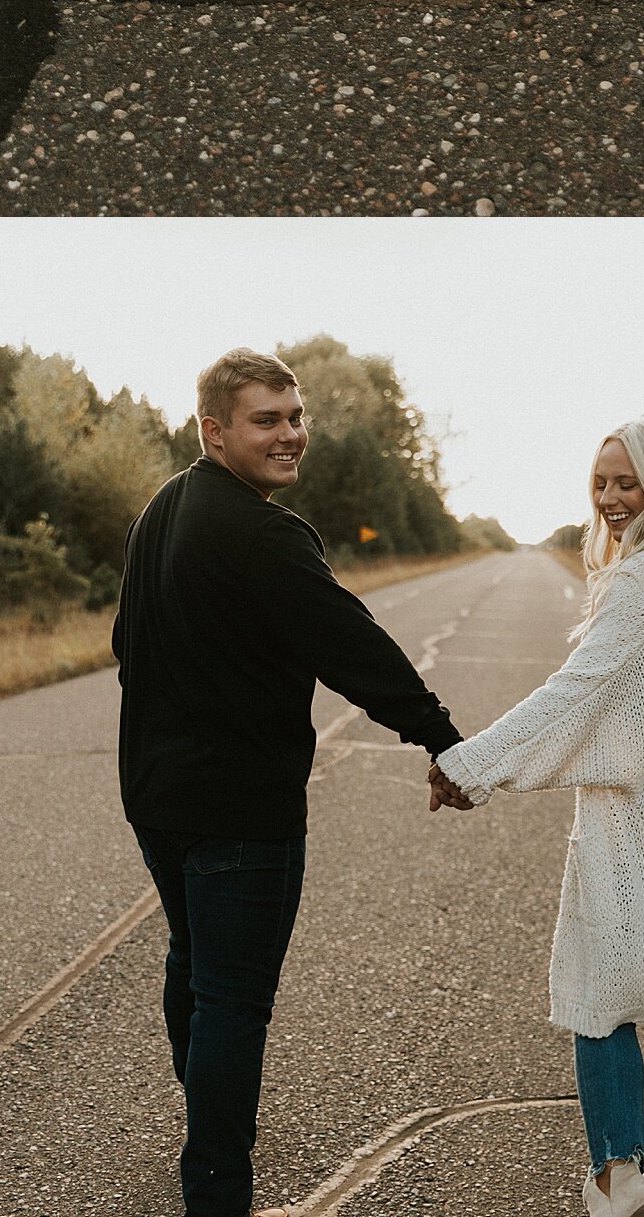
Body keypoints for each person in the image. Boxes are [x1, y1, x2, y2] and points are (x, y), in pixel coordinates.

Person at [112, 348, 463, 1217]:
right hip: (240, 811)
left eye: (296, 416)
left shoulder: (165, 508)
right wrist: (446, 743)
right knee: (232, 998)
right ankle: (219, 1190)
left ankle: (207, 1131)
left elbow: (126, 642)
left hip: (157, 796)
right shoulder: (266, 534)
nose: (290, 434)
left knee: (193, 965)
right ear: (215, 430)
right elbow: (354, 650)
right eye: (267, 420)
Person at [429, 417, 644, 1216]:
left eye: (628, 482)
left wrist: (471, 766)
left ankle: (617, 1181)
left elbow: (578, 692)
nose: (612, 498)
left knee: (602, 980)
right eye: (601, 482)